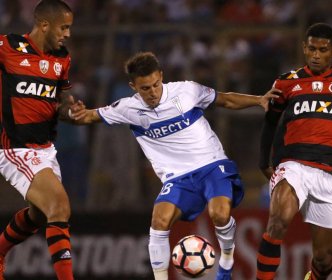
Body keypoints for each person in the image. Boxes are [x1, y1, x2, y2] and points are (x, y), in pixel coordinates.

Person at [70, 51, 278, 280]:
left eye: (155, 84)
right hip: (177, 179)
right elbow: (89, 117)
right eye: (145, 88)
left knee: (219, 214)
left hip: (211, 165)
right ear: (133, 87)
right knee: (159, 219)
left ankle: (226, 263)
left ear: (161, 75)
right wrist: (72, 112)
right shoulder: (127, 109)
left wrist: (259, 100)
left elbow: (225, 99)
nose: (152, 92)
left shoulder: (187, 90)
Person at [256, 22, 332, 280]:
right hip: (294, 164)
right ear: (304, 49)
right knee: (279, 220)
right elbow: (270, 122)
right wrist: (264, 161)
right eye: (311, 49)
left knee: (324, 257)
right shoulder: (286, 83)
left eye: (322, 49)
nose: (316, 54)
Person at [0, 1, 86, 279]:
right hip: (16, 147)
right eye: (64, 27)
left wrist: (69, 108)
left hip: (46, 149)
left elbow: (59, 100)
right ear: (44, 25)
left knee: (38, 215)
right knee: (59, 206)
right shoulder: (8, 47)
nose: (67, 34)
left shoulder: (62, 58)